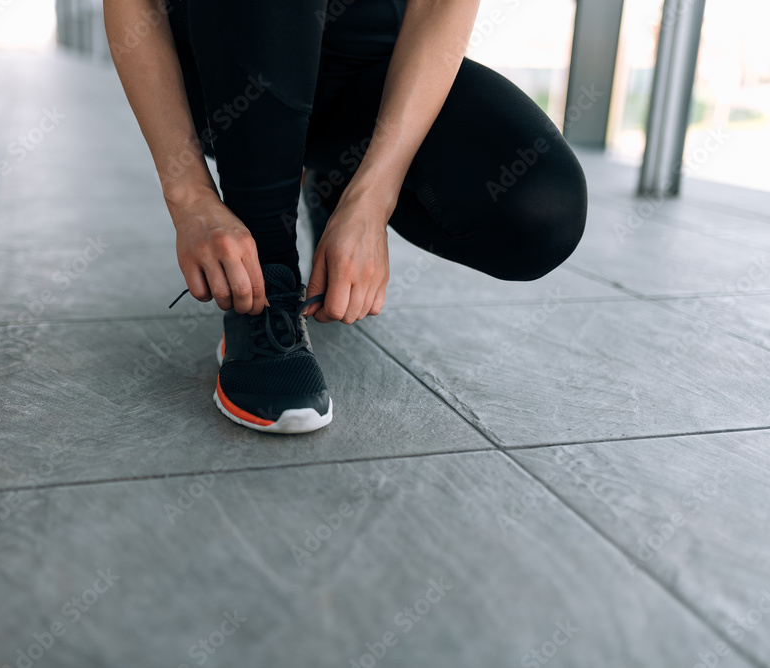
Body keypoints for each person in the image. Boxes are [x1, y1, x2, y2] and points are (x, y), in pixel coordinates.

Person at [104, 0, 587, 434]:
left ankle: (332, 181)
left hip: (367, 60)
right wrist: (188, 196)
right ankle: (266, 286)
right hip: (226, 65)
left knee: (539, 212)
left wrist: (374, 196)